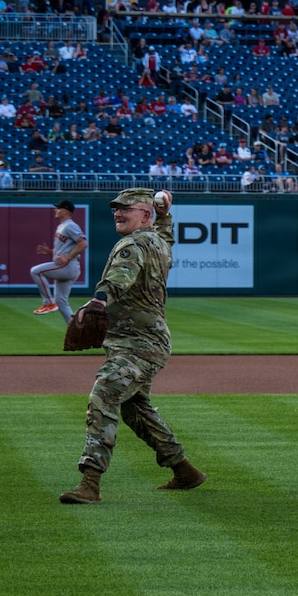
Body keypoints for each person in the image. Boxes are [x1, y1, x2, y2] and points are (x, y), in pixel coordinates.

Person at [59, 189, 207, 504]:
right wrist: (166, 213)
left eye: (127, 209)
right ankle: (185, 471)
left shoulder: (132, 245)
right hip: (148, 341)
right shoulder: (158, 241)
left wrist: (98, 300)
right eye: (116, 209)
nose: (118, 213)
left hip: (137, 345)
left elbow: (118, 278)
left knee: (104, 391)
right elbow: (167, 234)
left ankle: (90, 482)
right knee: (135, 409)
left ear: (145, 215)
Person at [31, 200, 87, 322]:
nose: (55, 210)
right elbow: (66, 248)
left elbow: (83, 244)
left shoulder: (70, 225)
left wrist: (68, 257)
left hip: (67, 266)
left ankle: (48, 303)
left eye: (58, 208)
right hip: (67, 266)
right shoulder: (62, 226)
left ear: (65, 211)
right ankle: (75, 332)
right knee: (61, 302)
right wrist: (50, 251)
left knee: (36, 271)